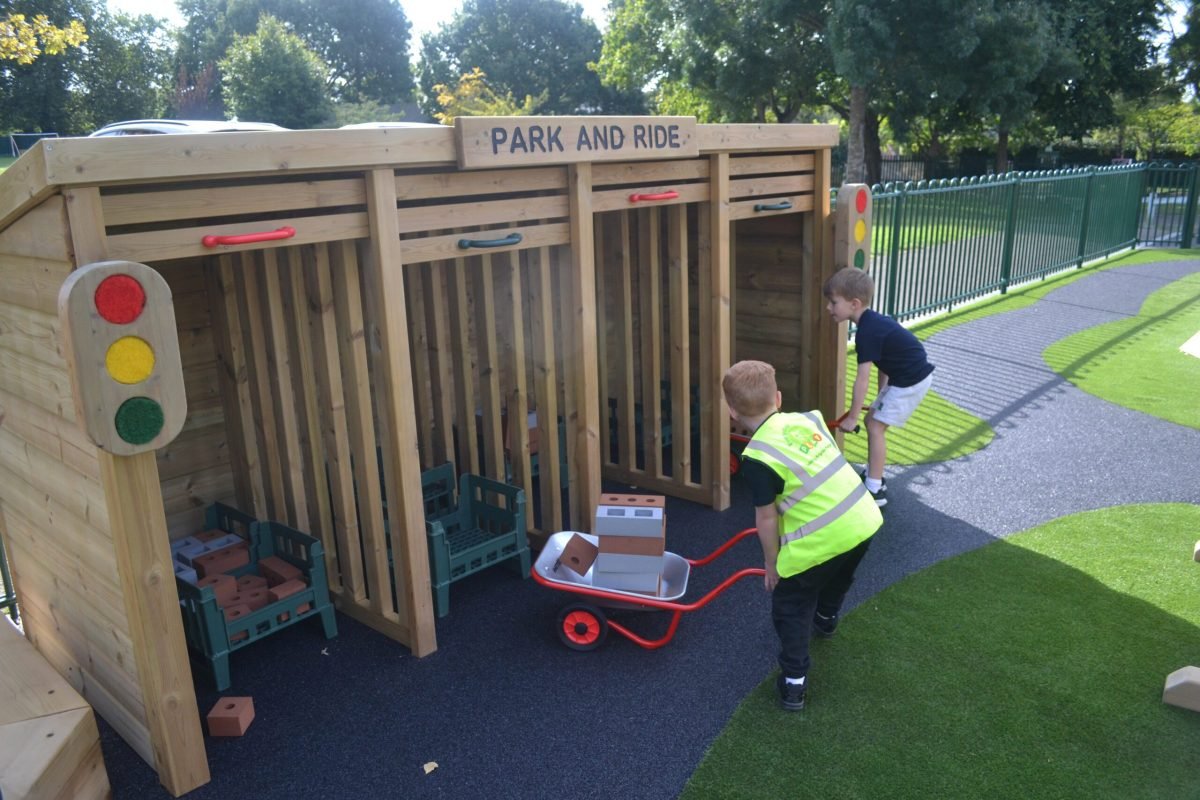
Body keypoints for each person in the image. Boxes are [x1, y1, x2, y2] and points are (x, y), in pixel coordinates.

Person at [723, 360, 884, 711]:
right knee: (840, 573)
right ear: (778, 398)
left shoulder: (757, 456)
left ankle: (794, 681)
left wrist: (772, 564)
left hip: (823, 538)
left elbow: (766, 518)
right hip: (864, 517)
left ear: (731, 412)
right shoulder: (809, 419)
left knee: (790, 605)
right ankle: (826, 619)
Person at [823, 267, 935, 507]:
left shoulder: (867, 333)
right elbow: (884, 363)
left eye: (833, 303)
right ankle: (874, 476)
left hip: (910, 379)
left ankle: (874, 489)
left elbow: (861, 378)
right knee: (873, 419)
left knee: (873, 425)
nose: (828, 308)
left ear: (854, 303)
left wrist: (852, 417)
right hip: (905, 375)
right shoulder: (872, 324)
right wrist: (880, 396)